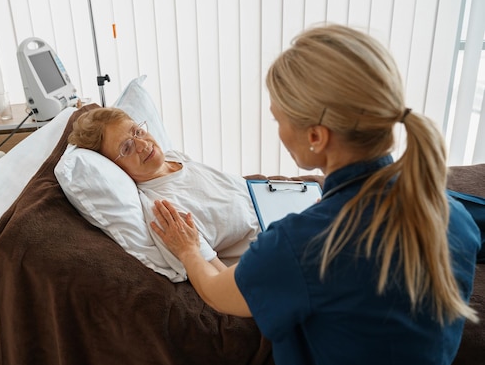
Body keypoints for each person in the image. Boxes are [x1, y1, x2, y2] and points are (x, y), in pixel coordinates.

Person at [149, 24, 481, 364]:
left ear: (317, 137)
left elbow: (218, 295)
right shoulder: (454, 214)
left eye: (278, 119)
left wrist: (189, 249)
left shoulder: (302, 245)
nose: (277, 129)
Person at [68, 106, 261, 277]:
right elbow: (219, 280)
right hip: (271, 257)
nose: (143, 145)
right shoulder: (164, 212)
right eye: (127, 148)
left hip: (272, 212)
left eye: (138, 132)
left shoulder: (174, 158)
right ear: (114, 167)